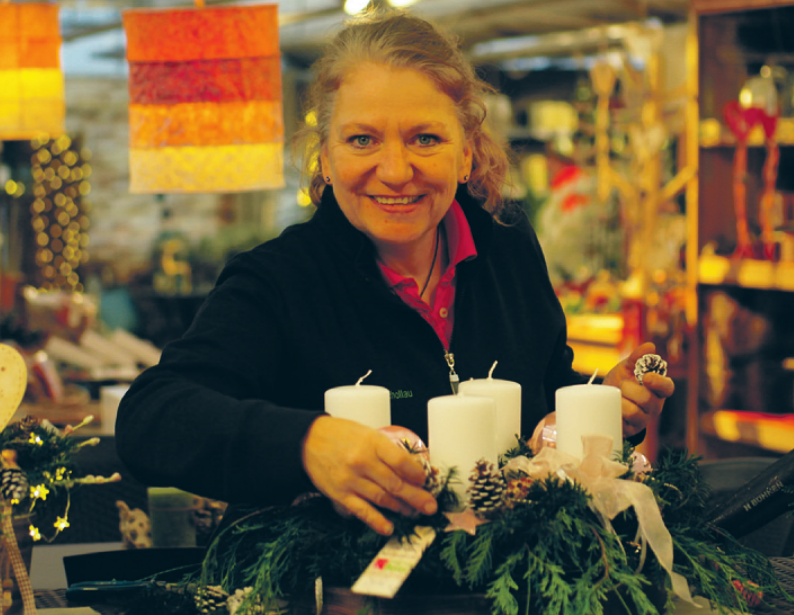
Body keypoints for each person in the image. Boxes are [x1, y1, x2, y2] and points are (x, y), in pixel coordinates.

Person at [115, 10, 674, 538]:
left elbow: (542, 394)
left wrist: (602, 404)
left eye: (425, 138)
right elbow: (150, 419)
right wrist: (307, 446)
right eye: (362, 139)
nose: (396, 170)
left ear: (465, 155)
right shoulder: (277, 280)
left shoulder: (508, 248)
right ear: (326, 161)